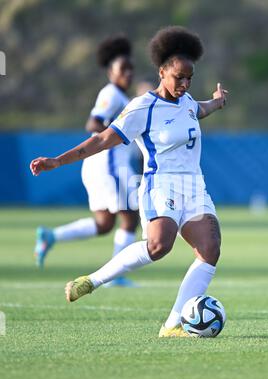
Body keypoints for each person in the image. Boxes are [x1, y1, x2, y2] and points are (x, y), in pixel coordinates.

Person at [30, 26, 228, 337]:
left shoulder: (187, 101)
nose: (186, 83)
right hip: (160, 185)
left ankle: (172, 325)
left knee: (210, 248)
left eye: (190, 78)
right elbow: (100, 140)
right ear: (162, 71)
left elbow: (198, 110)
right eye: (179, 77)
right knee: (159, 246)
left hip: (195, 186)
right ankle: (93, 280)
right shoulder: (141, 108)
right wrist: (57, 161)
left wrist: (216, 102)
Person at [34, 34, 140, 287]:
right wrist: (112, 133)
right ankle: (118, 274)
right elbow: (93, 122)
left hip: (100, 164)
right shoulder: (111, 93)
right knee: (130, 217)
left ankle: (51, 236)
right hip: (110, 163)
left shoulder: (122, 96)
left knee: (105, 224)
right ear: (110, 72)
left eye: (130, 68)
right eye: (122, 69)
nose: (128, 73)